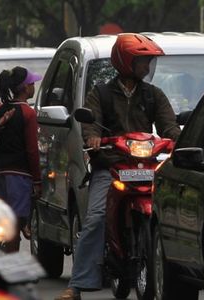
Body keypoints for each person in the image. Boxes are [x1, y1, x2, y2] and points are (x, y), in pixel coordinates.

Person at [56, 33, 181, 300]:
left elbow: (169, 126)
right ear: (125, 62)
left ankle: (174, 277)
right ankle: (76, 285)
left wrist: (182, 141)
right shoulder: (99, 94)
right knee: (96, 218)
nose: (147, 67)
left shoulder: (153, 95)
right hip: (111, 167)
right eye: (142, 61)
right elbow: (89, 123)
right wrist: (93, 137)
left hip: (147, 168)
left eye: (148, 62)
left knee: (170, 214)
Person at [0, 66, 42, 252]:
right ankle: (11, 268)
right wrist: (37, 179)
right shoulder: (28, 113)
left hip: (0, 173)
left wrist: (0, 125)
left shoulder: (2, 110)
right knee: (13, 228)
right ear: (25, 88)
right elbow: (32, 150)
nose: (34, 86)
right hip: (19, 176)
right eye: (32, 83)